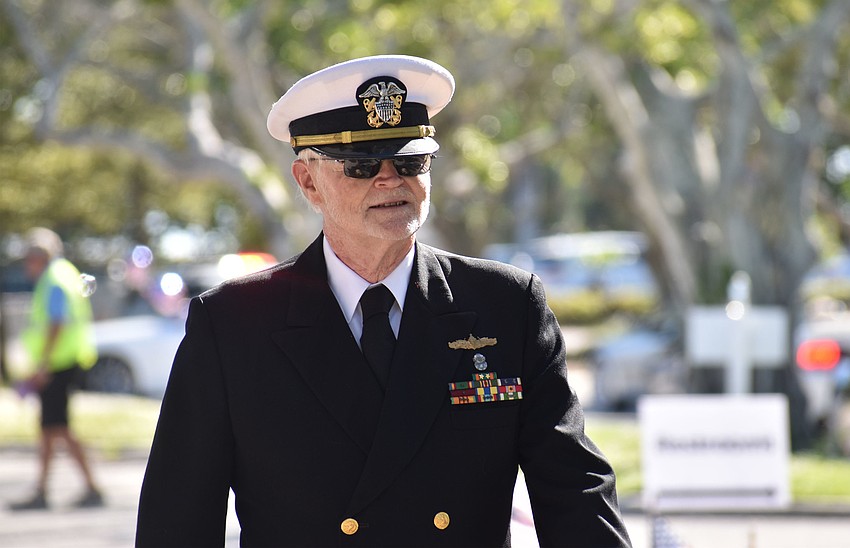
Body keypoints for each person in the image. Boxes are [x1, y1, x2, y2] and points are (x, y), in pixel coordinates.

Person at [136, 55, 632, 547]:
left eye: (411, 161)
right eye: (361, 165)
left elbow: (575, 493)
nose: (391, 180)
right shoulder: (232, 324)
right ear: (308, 182)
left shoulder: (506, 306)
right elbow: (177, 517)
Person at [9, 227, 103, 511]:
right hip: (65, 361)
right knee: (50, 429)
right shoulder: (65, 273)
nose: (26, 265)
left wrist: (43, 366)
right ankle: (42, 489)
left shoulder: (53, 280)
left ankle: (91, 487)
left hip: (58, 364)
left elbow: (56, 323)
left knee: (58, 427)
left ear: (39, 257)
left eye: (28, 258)